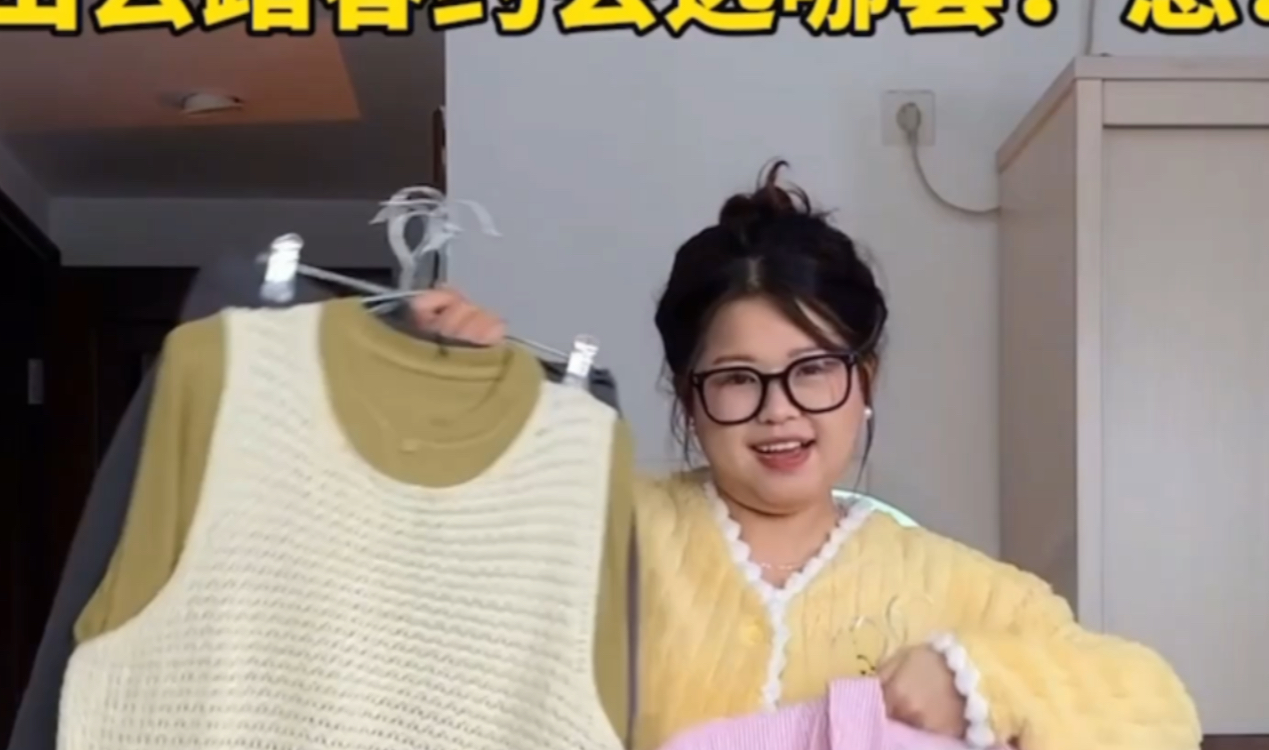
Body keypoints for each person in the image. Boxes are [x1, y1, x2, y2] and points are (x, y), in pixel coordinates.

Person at [411, 163, 1201, 750]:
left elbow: (1160, 713)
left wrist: (981, 681)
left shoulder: (958, 588)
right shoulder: (601, 534)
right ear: (688, 395)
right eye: (736, 377)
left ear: (865, 379)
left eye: (813, 368)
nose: (779, 409)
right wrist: (435, 414)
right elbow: (429, 603)